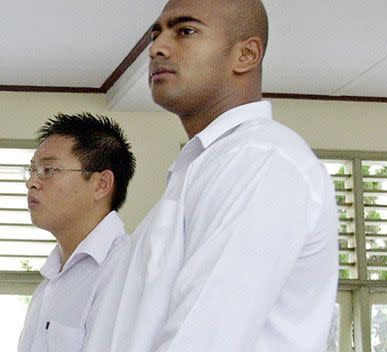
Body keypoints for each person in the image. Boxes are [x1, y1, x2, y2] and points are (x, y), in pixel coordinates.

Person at [83, 0, 338, 351]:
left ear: (246, 55)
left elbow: (202, 338)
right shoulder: (207, 165)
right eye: (156, 34)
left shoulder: (260, 160)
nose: (156, 47)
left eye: (185, 31)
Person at [18, 112, 136, 352]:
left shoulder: (126, 270)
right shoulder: (50, 282)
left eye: (48, 170)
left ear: (101, 184)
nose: (31, 182)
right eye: (31, 170)